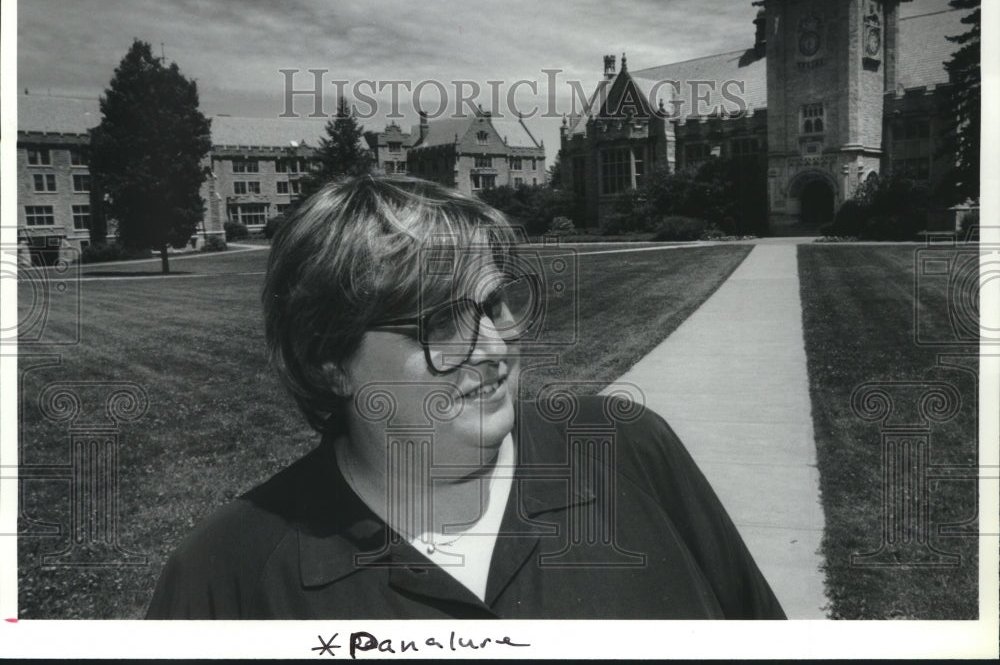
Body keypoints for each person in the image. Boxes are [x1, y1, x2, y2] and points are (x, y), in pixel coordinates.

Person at [146, 176, 785, 619]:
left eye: (493, 303)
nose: (493, 346)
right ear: (330, 362)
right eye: (440, 321)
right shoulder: (228, 570)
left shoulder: (627, 450)